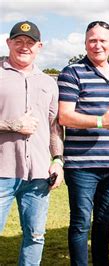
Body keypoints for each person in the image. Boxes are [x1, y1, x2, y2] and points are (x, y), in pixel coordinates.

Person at [57, 21, 109, 265]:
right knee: (80, 222)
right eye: (92, 40)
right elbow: (64, 116)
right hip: (81, 166)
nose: (97, 45)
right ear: (85, 43)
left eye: (102, 40)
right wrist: (100, 121)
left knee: (104, 221)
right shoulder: (72, 72)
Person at [0, 21, 64, 265]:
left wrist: (58, 161)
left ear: (39, 46)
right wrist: (12, 125)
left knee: (35, 236)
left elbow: (54, 127)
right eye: (18, 41)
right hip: (2, 172)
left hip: (38, 174)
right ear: (9, 43)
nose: (23, 46)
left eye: (30, 43)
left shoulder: (48, 82)